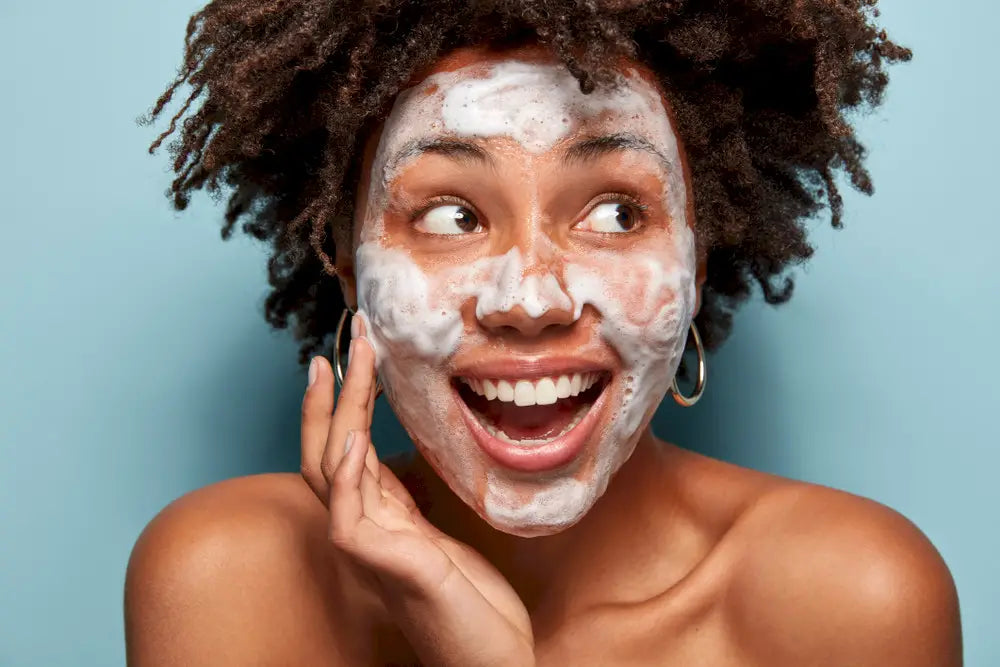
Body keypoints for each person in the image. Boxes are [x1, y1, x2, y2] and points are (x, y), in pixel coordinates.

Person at [125, 2, 962, 665]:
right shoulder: (223, 579)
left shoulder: (857, 599)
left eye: (615, 211)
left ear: (697, 257)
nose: (529, 299)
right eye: (452, 215)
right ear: (349, 266)